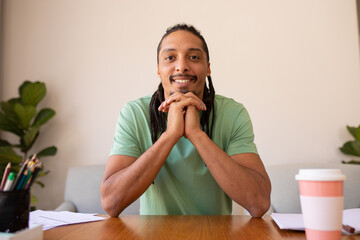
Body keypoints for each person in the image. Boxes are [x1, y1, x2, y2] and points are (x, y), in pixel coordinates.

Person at [100, 24, 271, 218]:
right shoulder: (134, 114)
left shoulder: (233, 113)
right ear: (158, 69)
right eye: (170, 57)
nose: (181, 66)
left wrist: (197, 135)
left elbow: (259, 203)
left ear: (208, 68)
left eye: (194, 57)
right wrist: (170, 135)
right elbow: (111, 203)